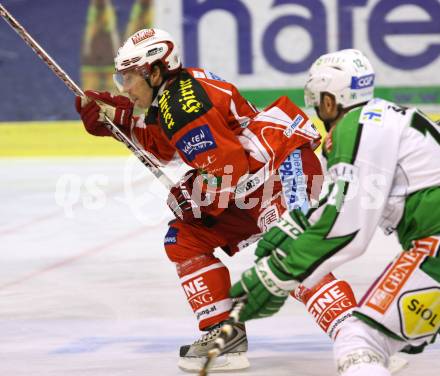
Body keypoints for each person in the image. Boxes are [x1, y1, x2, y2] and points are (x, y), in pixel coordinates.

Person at [75, 28, 359, 372]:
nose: (125, 87)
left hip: (283, 171)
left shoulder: (181, 103)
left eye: (130, 77)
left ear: (155, 71)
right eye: (122, 78)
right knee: (184, 238)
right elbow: (168, 147)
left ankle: (359, 338)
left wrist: (195, 196)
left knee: (291, 255)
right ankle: (224, 335)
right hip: (254, 184)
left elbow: (228, 169)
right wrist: (121, 123)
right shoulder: (172, 95)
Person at [230, 48, 440, 376]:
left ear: (330, 100)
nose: (318, 111)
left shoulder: (359, 127)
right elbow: (333, 203)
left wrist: (279, 275)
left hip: (436, 248)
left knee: (359, 340)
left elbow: (348, 229)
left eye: (317, 102)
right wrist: (289, 229)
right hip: (432, 248)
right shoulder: (387, 117)